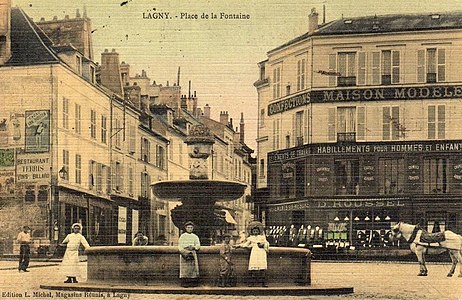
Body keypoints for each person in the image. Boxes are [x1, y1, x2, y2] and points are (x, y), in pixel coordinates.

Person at [236, 221, 269, 287]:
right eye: (254, 231)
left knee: (262, 267)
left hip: (261, 252)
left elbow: (267, 243)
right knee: (253, 267)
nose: (255, 232)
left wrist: (263, 244)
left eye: (256, 231)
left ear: (259, 231)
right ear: (252, 232)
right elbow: (246, 244)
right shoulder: (251, 238)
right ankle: (252, 283)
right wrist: (239, 245)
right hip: (254, 252)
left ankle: (263, 283)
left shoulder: (262, 237)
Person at [178, 221, 200, 287]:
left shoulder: (195, 236)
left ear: (193, 228)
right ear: (186, 228)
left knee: (192, 268)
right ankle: (184, 282)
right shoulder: (182, 236)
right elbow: (180, 245)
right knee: (185, 268)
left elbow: (198, 244)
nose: (190, 229)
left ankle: (192, 282)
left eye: (191, 227)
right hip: (184, 252)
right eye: (188, 227)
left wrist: (194, 247)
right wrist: (183, 252)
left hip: (192, 252)